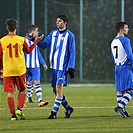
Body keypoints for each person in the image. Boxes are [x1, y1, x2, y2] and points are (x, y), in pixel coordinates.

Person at [0, 18, 43, 120]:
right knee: (22, 90)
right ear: (16, 27)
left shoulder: (2, 41)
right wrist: (36, 41)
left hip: (8, 71)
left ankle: (13, 115)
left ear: (7, 27)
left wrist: (0, 69)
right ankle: (19, 108)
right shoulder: (21, 39)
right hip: (20, 70)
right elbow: (28, 51)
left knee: (10, 93)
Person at [37, 14, 76, 119]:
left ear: (65, 22)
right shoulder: (53, 33)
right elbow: (45, 45)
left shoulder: (70, 35)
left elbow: (72, 51)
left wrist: (71, 66)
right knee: (55, 91)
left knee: (58, 90)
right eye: (57, 21)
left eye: (59, 21)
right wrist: (36, 41)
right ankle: (68, 108)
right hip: (53, 67)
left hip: (62, 68)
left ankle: (53, 113)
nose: (57, 23)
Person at [110, 22, 133, 118]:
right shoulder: (125, 40)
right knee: (131, 89)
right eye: (126, 28)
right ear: (121, 29)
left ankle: (122, 110)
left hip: (117, 67)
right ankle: (120, 106)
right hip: (125, 67)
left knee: (120, 90)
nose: (128, 29)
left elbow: (112, 57)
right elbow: (129, 54)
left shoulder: (113, 41)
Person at [24, 24, 49, 107]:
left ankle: (40, 100)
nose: (38, 33)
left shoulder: (36, 41)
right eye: (36, 31)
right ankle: (29, 97)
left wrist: (43, 63)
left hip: (35, 66)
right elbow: (23, 53)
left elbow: (38, 54)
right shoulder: (24, 40)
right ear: (32, 31)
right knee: (29, 82)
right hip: (27, 66)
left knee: (36, 82)